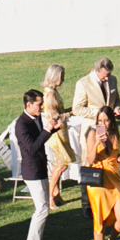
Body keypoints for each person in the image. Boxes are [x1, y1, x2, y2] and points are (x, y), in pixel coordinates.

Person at [83, 104, 120, 240]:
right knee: (100, 219)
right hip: (98, 180)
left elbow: (111, 155)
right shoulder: (92, 133)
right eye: (99, 120)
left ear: (112, 121)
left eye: (106, 120)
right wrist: (96, 141)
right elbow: (90, 160)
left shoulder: (115, 133)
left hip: (114, 177)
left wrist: (118, 159)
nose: (102, 123)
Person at [12, 89, 55, 240]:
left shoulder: (34, 119)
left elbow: (39, 141)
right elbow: (31, 147)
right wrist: (47, 130)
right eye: (38, 104)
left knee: (43, 208)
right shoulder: (21, 124)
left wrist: (52, 129)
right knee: (42, 209)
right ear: (28, 105)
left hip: (39, 168)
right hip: (32, 172)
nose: (42, 107)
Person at [40, 64, 71, 209]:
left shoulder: (52, 91)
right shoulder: (50, 94)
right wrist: (69, 114)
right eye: (61, 76)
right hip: (56, 133)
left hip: (61, 131)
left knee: (60, 164)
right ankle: (50, 196)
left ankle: (56, 195)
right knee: (61, 164)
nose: (63, 79)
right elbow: (53, 116)